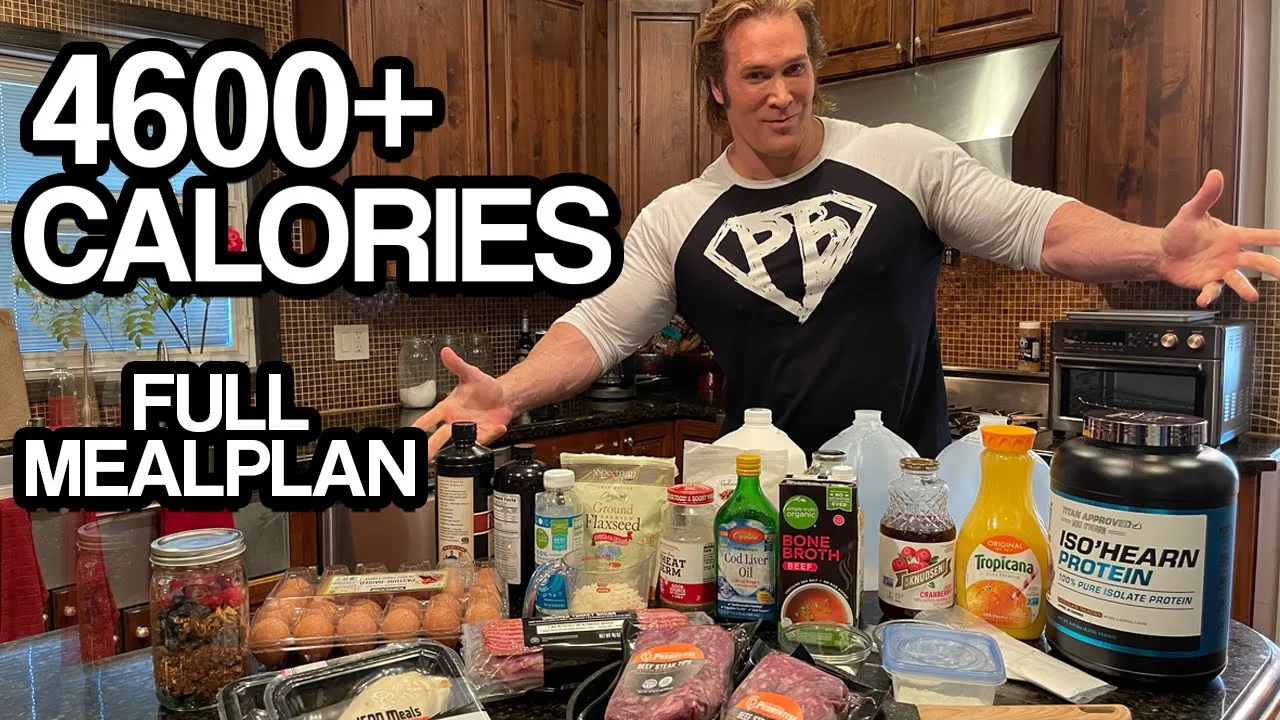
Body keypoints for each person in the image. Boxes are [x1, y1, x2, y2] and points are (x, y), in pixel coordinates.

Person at [416, 0, 1280, 460]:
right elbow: (600, 327)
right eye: (756, 75)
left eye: (795, 68)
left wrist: (1152, 248)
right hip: (761, 500)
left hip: (909, 494)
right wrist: (510, 392)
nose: (781, 94)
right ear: (718, 88)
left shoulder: (903, 156)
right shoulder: (677, 216)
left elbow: (1036, 227)